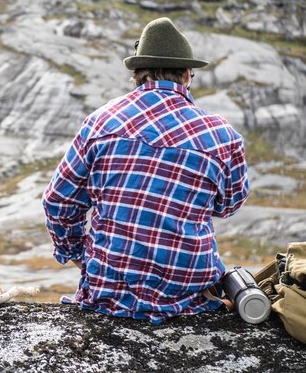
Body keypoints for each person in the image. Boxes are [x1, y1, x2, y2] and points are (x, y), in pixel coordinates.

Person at [42, 17, 249, 324]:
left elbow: (58, 201)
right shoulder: (222, 134)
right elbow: (228, 205)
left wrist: (79, 256)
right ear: (188, 75)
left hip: (106, 294)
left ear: (138, 74)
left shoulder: (100, 122)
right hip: (188, 298)